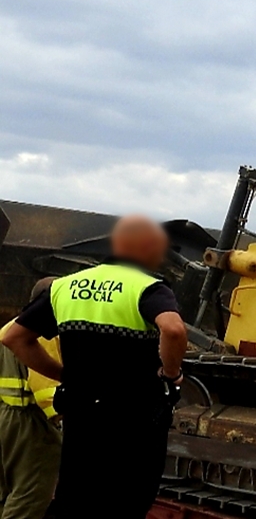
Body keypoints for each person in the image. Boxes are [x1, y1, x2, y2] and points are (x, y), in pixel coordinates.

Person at [2, 215, 189, 519]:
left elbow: (14, 337)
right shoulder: (149, 287)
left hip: (81, 411)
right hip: (134, 416)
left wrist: (65, 376)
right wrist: (171, 374)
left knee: (73, 499)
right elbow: (174, 329)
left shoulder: (65, 287)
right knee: (126, 501)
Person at [0, 278, 62, 519]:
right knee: (29, 498)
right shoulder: (42, 333)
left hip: (5, 420)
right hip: (31, 426)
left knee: (5, 496)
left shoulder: (8, 328)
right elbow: (46, 391)